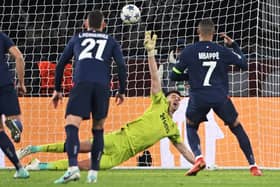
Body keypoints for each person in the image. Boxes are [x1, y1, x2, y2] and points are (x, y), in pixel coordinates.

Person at [18, 31, 195, 172]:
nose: (176, 98)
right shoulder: (158, 103)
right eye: (172, 95)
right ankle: (33, 148)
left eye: (178, 97)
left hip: (123, 154)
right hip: (118, 139)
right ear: (165, 98)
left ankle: (40, 165)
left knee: (84, 165)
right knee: (77, 146)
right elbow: (155, 78)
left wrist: (199, 162)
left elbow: (184, 150)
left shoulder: (172, 129)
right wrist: (150, 53)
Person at [170, 18, 262, 176]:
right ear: (213, 33)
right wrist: (233, 45)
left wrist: (192, 77)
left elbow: (174, 75)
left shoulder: (189, 51)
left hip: (199, 97)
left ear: (198, 31)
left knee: (191, 125)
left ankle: (199, 158)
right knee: (237, 127)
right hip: (220, 97)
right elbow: (244, 64)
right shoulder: (222, 50)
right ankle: (253, 166)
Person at [52, 10, 127, 184]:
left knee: (72, 123)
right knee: (98, 128)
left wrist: (57, 89)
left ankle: (72, 168)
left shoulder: (77, 37)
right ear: (104, 25)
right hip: (102, 87)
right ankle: (93, 172)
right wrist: (122, 90)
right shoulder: (111, 40)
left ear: (86, 24)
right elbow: (122, 66)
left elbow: (61, 64)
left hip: (82, 84)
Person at [0, 32, 29, 178]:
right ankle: (15, 124)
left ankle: (20, 168)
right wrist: (21, 83)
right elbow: (19, 56)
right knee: (16, 119)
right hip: (5, 83)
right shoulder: (1, 36)